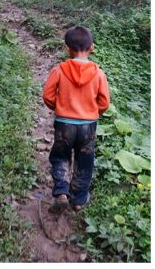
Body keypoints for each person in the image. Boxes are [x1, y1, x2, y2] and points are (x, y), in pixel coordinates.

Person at [43, 26, 110, 213]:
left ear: (68, 49)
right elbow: (104, 101)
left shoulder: (59, 70)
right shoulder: (98, 74)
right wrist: (94, 112)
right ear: (92, 48)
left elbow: (48, 95)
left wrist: (59, 108)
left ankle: (61, 193)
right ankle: (79, 200)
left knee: (61, 157)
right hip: (88, 125)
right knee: (85, 160)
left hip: (64, 123)